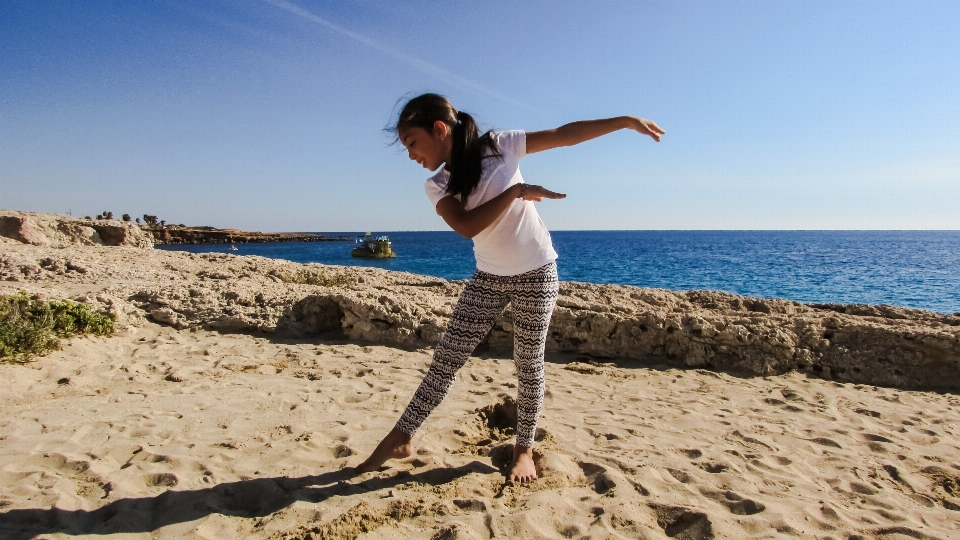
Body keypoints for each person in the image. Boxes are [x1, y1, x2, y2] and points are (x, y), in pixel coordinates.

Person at [356, 93, 664, 483]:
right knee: (447, 359)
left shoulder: (499, 146)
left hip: (537, 272)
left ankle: (524, 451)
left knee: (528, 364)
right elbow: (469, 226)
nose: (412, 155)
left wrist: (622, 120)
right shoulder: (438, 184)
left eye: (413, 143)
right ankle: (401, 436)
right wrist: (516, 192)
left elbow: (564, 134)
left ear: (439, 129)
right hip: (489, 277)